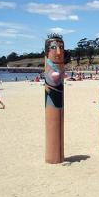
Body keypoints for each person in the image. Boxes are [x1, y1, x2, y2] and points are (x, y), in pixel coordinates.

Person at [44, 33, 65, 164]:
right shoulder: (49, 65)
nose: (58, 52)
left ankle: (59, 155)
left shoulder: (60, 65)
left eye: (61, 47)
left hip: (58, 99)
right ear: (46, 51)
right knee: (54, 124)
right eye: (54, 47)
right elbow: (53, 77)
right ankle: (54, 156)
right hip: (52, 100)